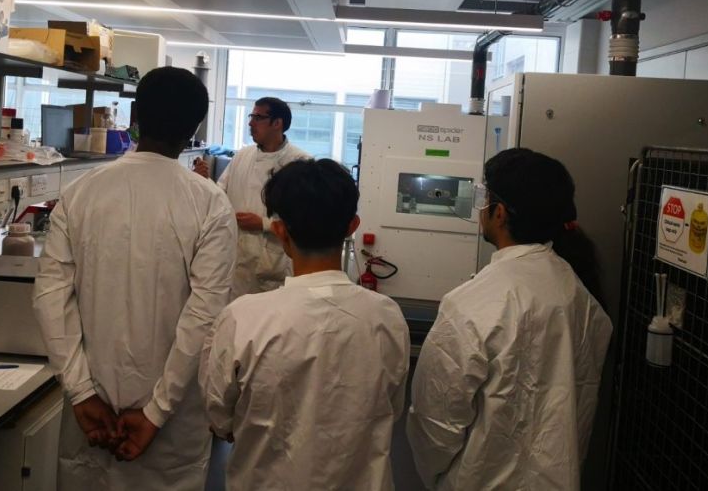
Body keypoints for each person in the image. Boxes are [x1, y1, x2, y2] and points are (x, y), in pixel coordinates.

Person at [33, 67, 237, 491]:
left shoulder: (83, 191)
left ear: (135, 115)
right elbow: (204, 317)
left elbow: (51, 298)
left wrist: (82, 392)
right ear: (195, 127)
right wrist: (156, 411)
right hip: (169, 423)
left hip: (92, 412)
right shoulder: (210, 203)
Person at [406, 148, 612, 491]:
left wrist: (438, 478)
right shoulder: (582, 297)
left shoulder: (472, 304)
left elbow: (435, 423)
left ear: (500, 213)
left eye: (484, 197)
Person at [200, 159, 410, 490]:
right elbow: (393, 407)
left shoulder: (242, 318)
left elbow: (218, 416)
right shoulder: (387, 316)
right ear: (352, 225)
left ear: (280, 231)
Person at [194, 96, 310, 298]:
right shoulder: (242, 156)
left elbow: (306, 220)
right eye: (251, 116)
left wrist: (264, 224)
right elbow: (220, 196)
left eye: (257, 117)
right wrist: (204, 182)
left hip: (274, 264)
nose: (250, 122)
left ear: (277, 123)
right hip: (237, 261)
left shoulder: (300, 163)